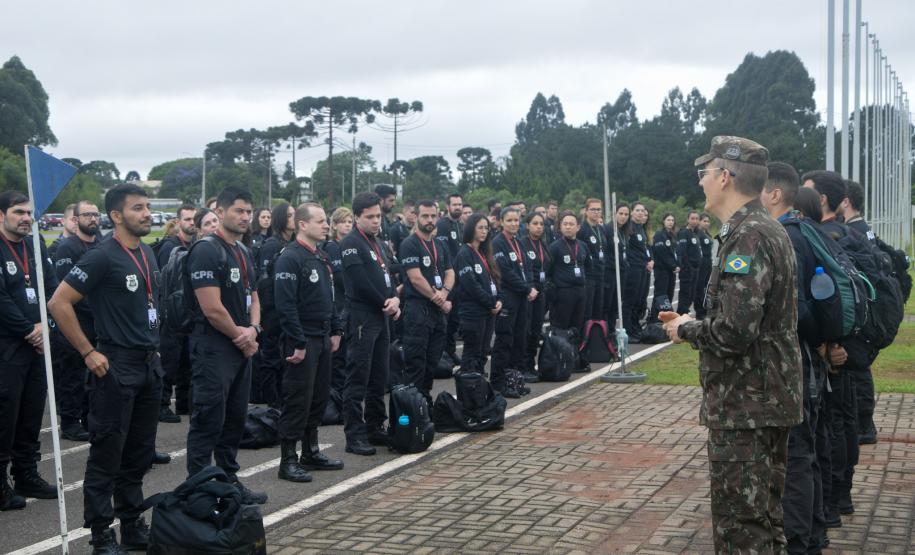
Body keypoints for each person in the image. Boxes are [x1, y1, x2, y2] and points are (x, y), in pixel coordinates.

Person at [662, 136, 802, 553]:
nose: (700, 182)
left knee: (742, 530)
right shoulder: (763, 228)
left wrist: (686, 329)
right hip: (763, 400)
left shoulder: (748, 236)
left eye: (704, 173)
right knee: (764, 522)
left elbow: (734, 332)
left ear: (724, 177)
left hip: (747, 406)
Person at [48, 184, 162, 552]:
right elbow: (59, 303)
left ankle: (132, 523)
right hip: (115, 366)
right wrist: (87, 351)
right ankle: (101, 534)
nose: (147, 213)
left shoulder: (147, 252)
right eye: (138, 208)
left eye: (147, 206)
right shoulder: (101, 256)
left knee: (139, 453)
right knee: (107, 454)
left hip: (149, 365)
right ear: (116, 215)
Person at [760, 161, 831, 553]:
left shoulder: (785, 236)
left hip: (799, 359)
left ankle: (800, 542)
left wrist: (817, 340)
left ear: (774, 194)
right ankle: (815, 532)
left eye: (759, 191)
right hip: (812, 357)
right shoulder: (806, 229)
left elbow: (799, 308)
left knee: (797, 455)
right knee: (809, 451)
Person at [185, 187, 267, 505]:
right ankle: (198, 490)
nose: (246, 217)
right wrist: (241, 336)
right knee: (209, 419)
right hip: (214, 347)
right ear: (219, 212)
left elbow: (254, 296)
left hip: (241, 344)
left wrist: (254, 329)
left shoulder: (242, 250)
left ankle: (228, 481)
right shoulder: (206, 250)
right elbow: (212, 308)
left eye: (249, 211)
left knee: (234, 419)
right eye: (239, 211)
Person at [801, 170, 862, 523]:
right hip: (848, 345)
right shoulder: (850, 234)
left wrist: (829, 342)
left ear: (820, 199)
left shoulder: (821, 237)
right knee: (844, 421)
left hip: (831, 348)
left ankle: (832, 503)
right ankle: (842, 497)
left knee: (830, 427)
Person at [274, 203, 344, 482]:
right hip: (302, 339)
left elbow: (331, 298)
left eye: (326, 220)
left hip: (323, 336)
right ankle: (288, 459)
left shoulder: (322, 257)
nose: (326, 225)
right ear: (302, 225)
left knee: (318, 397)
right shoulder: (290, 258)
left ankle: (311, 451)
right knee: (297, 399)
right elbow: (285, 305)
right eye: (320, 221)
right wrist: (299, 341)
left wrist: (336, 329)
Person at [0, 191, 58, 511]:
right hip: (8, 346)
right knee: (6, 414)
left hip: (37, 345)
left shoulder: (36, 246)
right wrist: (28, 329)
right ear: (1, 215)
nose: (26, 218)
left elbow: (52, 289)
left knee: (32, 411)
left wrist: (46, 325)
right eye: (18, 212)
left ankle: (26, 473)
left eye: (29, 213)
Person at [340, 192, 400, 455]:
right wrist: (386, 302)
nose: (376, 221)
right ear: (357, 217)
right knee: (358, 376)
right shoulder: (351, 243)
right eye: (370, 217)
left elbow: (388, 275)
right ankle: (354, 434)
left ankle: (375, 426)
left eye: (378, 216)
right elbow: (361, 282)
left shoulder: (378, 243)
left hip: (381, 315)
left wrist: (395, 298)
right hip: (362, 316)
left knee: (379, 376)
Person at [50, 200, 103, 442]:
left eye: (96, 215)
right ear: (76, 219)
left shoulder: (102, 245)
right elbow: (66, 289)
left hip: (99, 323)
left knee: (94, 378)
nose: (92, 219)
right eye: (87, 215)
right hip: (75, 321)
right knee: (72, 376)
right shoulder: (67, 247)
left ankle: (89, 418)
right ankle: (70, 423)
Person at [398, 200, 454, 405]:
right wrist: (436, 297)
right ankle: (412, 407)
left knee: (432, 362)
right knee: (416, 363)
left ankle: (425, 402)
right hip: (418, 310)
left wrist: (444, 293)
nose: (429, 220)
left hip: (437, 311)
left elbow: (450, 272)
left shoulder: (440, 244)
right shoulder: (410, 243)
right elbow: (415, 278)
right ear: (416, 217)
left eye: (433, 216)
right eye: (425, 216)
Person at [840, 180, 878, 446]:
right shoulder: (863, 229)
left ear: (845, 202)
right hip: (867, 309)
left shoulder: (853, 232)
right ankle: (864, 423)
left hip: (861, 310)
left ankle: (865, 425)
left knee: (858, 369)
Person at [155, 205, 197, 422]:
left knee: (186, 361)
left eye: (194, 219)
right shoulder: (169, 247)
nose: (192, 223)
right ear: (178, 222)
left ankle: (183, 402)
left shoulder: (196, 246)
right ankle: (161, 405)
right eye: (187, 219)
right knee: (168, 361)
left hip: (187, 312)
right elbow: (164, 282)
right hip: (171, 313)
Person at [252, 202, 294, 406]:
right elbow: (264, 281)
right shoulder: (272, 245)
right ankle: (271, 402)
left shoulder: (291, 243)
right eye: (290, 215)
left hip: (286, 309)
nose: (295, 218)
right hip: (272, 311)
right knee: (271, 357)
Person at [491, 207, 536, 397]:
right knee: (504, 340)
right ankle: (498, 382)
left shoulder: (519, 242)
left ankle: (514, 380)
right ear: (501, 222)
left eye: (516, 220)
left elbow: (528, 267)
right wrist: (526, 288)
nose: (513, 224)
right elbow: (506, 272)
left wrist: (530, 286)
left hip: (522, 297)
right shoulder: (497, 243)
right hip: (508, 296)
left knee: (520, 339)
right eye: (509, 220)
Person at [453, 213, 501, 375]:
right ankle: (469, 385)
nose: (484, 231)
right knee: (472, 352)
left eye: (486, 228)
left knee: (483, 351)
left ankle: (479, 385)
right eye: (480, 227)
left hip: (488, 310)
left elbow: (495, 279)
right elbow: (471, 285)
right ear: (471, 229)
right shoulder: (464, 253)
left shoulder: (484, 252)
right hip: (473, 312)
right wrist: (491, 302)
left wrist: (499, 299)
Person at [322, 207, 353, 416]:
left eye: (350, 221)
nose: (348, 225)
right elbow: (341, 278)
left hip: (348, 306)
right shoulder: (332, 247)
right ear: (334, 225)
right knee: (339, 360)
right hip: (339, 306)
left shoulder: (349, 245)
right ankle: (336, 403)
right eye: (343, 221)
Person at [520, 211, 550, 383]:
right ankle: (523, 365)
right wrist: (529, 288)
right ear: (527, 226)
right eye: (535, 224)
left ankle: (531, 364)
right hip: (529, 293)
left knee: (536, 330)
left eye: (541, 224)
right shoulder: (523, 244)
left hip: (541, 292)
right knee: (527, 330)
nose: (539, 227)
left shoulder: (543, 244)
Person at [547, 211, 589, 332]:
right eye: (565, 224)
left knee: (576, 327)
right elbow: (548, 270)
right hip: (562, 293)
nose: (568, 227)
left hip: (580, 291)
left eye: (571, 224)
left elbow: (588, 267)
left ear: (578, 227)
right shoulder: (554, 247)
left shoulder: (583, 246)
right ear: (560, 227)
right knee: (560, 328)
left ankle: (574, 344)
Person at [436, 193, 464, 367]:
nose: (458, 207)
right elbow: (442, 253)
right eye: (454, 204)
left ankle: (450, 350)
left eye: (460, 204)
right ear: (448, 207)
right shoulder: (442, 225)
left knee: (455, 319)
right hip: (448, 278)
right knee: (445, 318)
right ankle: (442, 353)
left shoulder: (461, 225)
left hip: (460, 279)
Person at [622, 202, 652, 340]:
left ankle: (635, 327)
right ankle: (627, 330)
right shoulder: (629, 228)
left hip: (642, 268)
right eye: (637, 210)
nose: (640, 213)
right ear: (632, 212)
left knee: (638, 300)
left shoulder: (641, 228)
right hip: (633, 268)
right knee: (630, 300)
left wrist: (649, 261)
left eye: (642, 210)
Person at [577, 199, 607, 322]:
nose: (596, 212)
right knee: (587, 309)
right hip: (588, 275)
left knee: (598, 308)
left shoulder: (601, 229)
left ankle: (595, 332)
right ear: (586, 211)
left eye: (598, 209)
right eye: (593, 209)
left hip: (600, 273)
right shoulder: (582, 230)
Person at [603, 203, 629, 329]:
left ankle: (612, 329)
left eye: (626, 214)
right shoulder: (607, 229)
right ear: (615, 214)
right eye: (621, 213)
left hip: (622, 270)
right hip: (610, 271)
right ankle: (606, 330)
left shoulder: (623, 231)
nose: (623, 217)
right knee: (608, 303)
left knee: (616, 303)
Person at [676, 211, 702, 315]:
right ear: (688, 219)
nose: (694, 221)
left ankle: (685, 312)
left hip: (695, 269)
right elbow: (682, 252)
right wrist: (687, 267)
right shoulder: (684, 233)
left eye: (696, 219)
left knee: (691, 294)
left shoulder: (694, 233)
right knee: (685, 293)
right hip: (687, 269)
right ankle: (681, 314)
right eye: (692, 218)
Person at [651, 213, 679, 312]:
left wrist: (677, 265)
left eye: (672, 220)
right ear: (663, 221)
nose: (671, 222)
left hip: (671, 270)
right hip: (662, 270)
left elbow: (674, 253)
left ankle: (666, 315)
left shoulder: (672, 235)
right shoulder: (659, 235)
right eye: (668, 220)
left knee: (669, 294)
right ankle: (655, 317)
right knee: (660, 295)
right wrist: (673, 266)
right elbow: (662, 253)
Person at [694, 213, 713, 319]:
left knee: (706, 287)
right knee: (700, 287)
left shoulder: (707, 234)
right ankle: (699, 311)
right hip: (702, 262)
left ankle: (705, 308)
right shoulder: (698, 234)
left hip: (708, 262)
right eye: (704, 221)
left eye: (708, 221)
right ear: (699, 222)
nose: (707, 223)